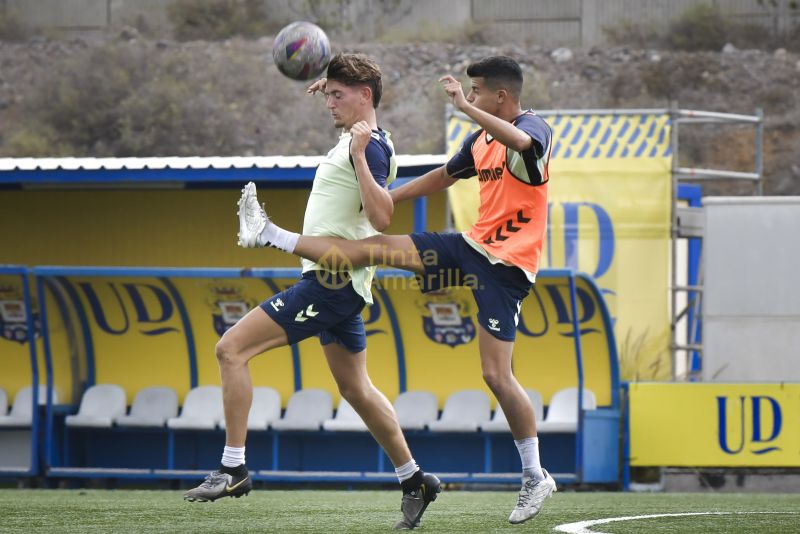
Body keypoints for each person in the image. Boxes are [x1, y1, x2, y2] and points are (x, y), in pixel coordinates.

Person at [238, 55, 557, 524]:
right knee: (374, 247)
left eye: (477, 92)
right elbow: (444, 176)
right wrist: (391, 196)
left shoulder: (532, 129)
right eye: (469, 93)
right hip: (471, 249)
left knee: (495, 374)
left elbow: (523, 142)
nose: (470, 97)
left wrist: (464, 109)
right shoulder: (481, 139)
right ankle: (270, 233)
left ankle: (534, 475)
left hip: (506, 269)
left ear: (501, 97)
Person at [185, 52, 441, 531]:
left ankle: (233, 468)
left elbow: (382, 217)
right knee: (356, 388)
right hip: (337, 283)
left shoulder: (369, 147)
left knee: (231, 349)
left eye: (338, 95)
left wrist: (360, 154)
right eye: (328, 94)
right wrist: (330, 81)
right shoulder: (360, 138)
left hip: (330, 283)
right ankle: (415, 480)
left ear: (365, 95)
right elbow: (357, 94)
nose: (329, 103)